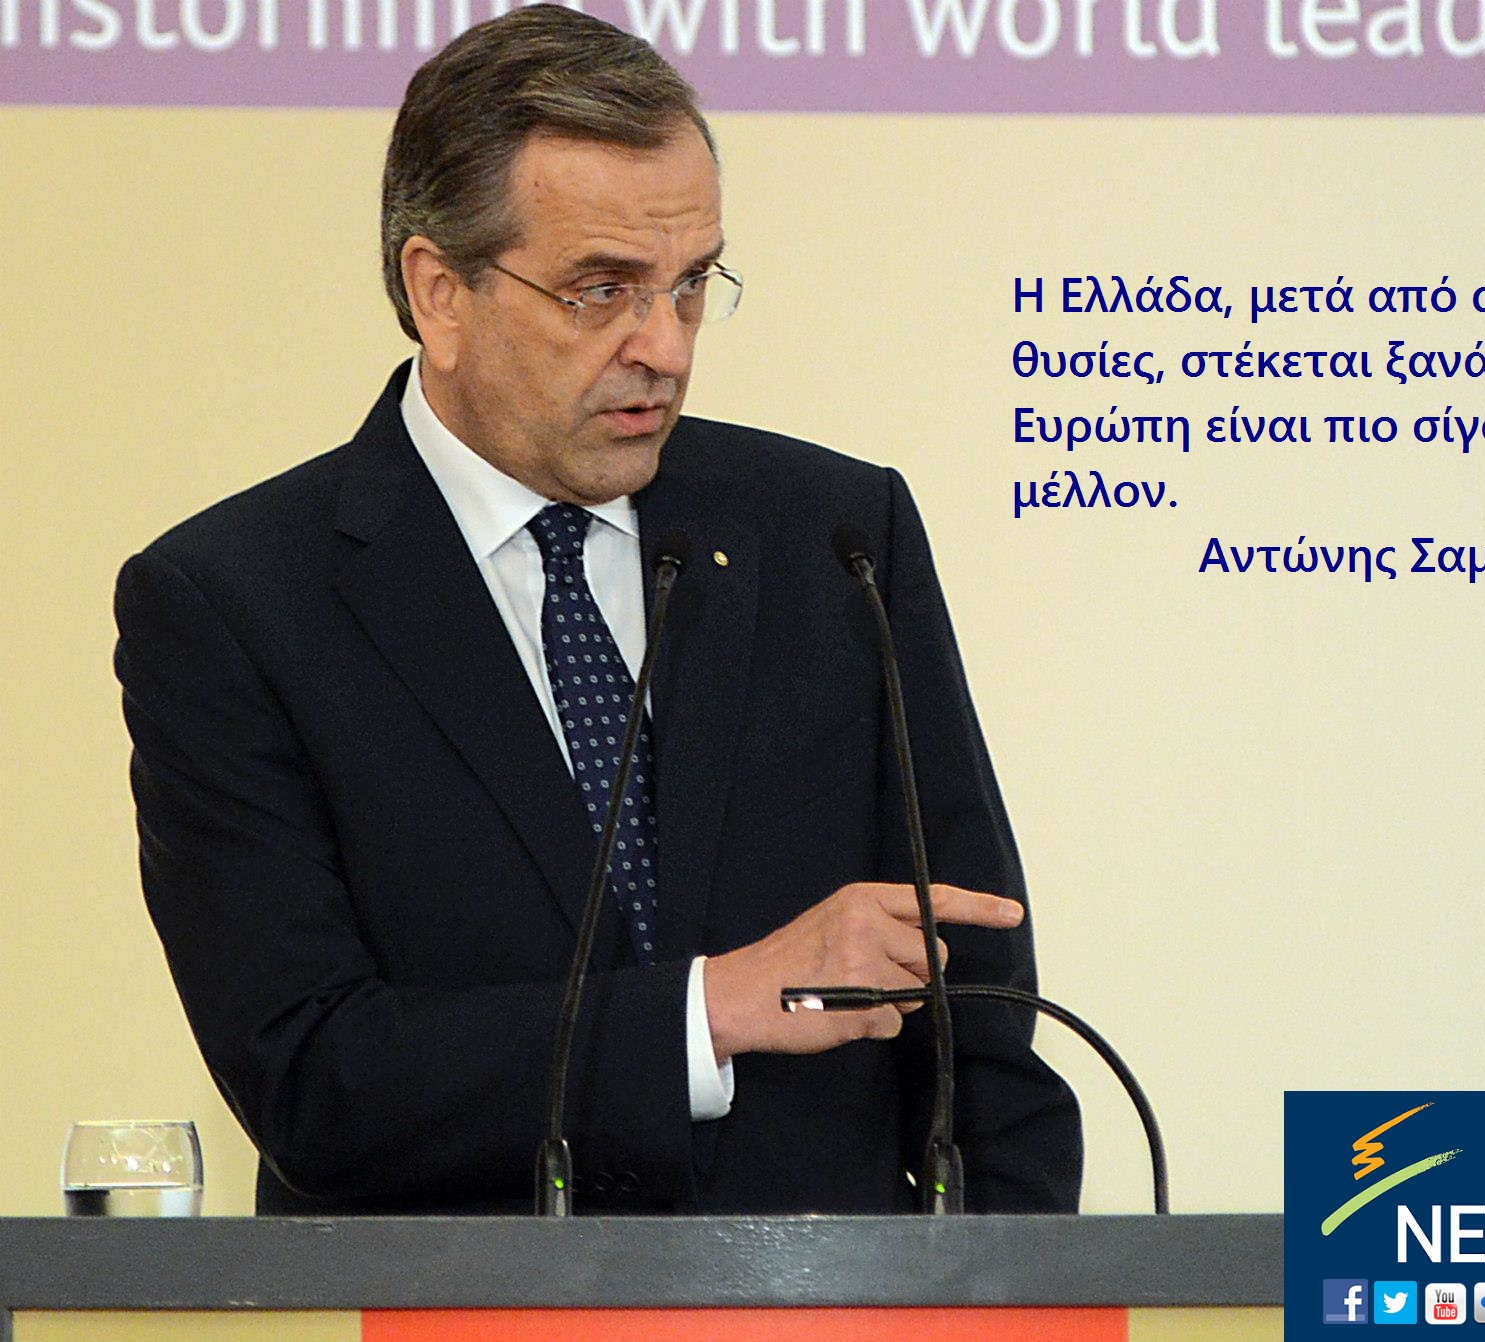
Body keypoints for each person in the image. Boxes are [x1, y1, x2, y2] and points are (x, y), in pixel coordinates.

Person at [112, 6, 1081, 1216]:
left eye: (690, 284)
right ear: (439, 292)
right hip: (453, 1297)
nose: (663, 347)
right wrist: (704, 1010)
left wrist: (1008, 1283)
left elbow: (979, 1017)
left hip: (824, 1293)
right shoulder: (235, 602)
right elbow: (313, 1076)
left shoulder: (834, 535)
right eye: (602, 290)